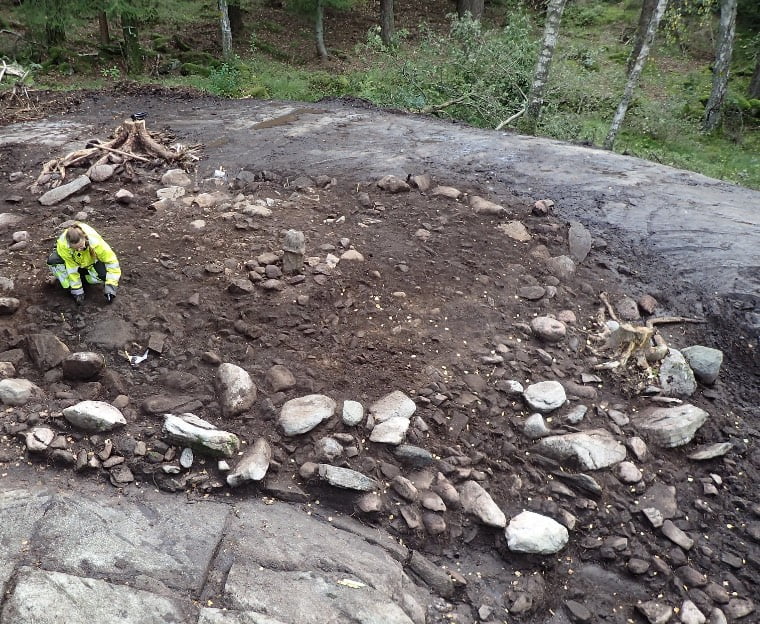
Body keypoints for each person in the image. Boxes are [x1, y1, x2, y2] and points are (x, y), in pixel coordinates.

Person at [47, 222, 121, 305]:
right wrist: (77, 291)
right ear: (70, 245)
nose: (79, 250)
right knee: (53, 261)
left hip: (91, 262)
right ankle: (69, 286)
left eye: (81, 246)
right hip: (76, 263)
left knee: (103, 275)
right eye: (75, 249)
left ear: (84, 238)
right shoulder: (64, 246)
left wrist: (111, 288)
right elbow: (71, 269)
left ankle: (83, 280)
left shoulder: (96, 242)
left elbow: (112, 262)